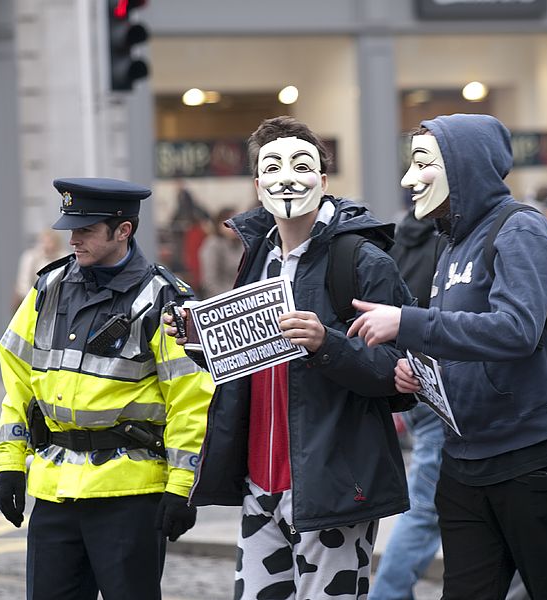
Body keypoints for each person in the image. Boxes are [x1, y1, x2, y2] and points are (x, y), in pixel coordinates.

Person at [348, 113, 547, 599]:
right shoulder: (452, 244)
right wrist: (421, 371)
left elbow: (516, 330)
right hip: (465, 457)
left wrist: (409, 323)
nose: (407, 180)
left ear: (462, 166)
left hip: (536, 453)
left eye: (421, 163)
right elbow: (463, 341)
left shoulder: (520, 228)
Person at [166, 116, 413, 599]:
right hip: (261, 484)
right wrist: (203, 343)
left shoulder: (363, 261)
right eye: (271, 167)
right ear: (257, 184)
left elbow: (401, 373)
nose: (286, 178)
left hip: (333, 486)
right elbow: (250, 364)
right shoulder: (257, 256)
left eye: (301, 165)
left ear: (323, 179)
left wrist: (328, 343)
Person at [0, 177, 216, 599]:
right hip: (55, 492)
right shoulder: (48, 289)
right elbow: (18, 381)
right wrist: (9, 464)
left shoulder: (164, 300)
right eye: (72, 228)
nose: (73, 239)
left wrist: (182, 487)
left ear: (123, 230)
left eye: (86, 230)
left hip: (128, 496)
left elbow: (191, 401)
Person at [369, 205, 446, 600]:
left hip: (411, 382)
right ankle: (388, 594)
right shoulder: (448, 242)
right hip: (439, 386)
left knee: (427, 504)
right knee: (425, 509)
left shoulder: (397, 238)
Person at [13, 229, 67, 311]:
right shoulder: (31, 257)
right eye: (44, 242)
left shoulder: (65, 258)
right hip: (31, 301)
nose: (47, 245)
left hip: (57, 303)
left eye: (50, 242)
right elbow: (24, 283)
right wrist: (35, 300)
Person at [198, 205, 242, 298]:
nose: (233, 228)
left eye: (236, 223)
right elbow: (210, 281)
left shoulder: (244, 244)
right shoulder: (213, 244)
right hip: (221, 298)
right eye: (228, 225)